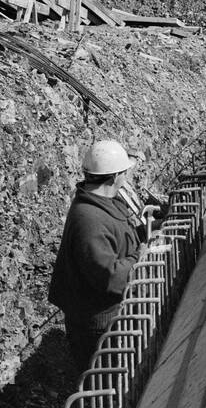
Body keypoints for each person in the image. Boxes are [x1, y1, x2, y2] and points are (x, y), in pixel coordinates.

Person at [48, 139, 143, 372]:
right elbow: (109, 277)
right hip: (98, 324)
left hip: (106, 316)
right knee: (108, 381)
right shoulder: (90, 220)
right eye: (124, 172)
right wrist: (140, 258)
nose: (126, 177)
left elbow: (122, 236)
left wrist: (147, 232)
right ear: (114, 177)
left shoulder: (103, 203)